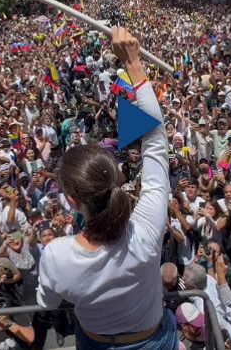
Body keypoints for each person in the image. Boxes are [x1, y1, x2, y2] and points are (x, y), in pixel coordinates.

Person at [36, 27, 176, 349]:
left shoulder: (57, 256)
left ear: (72, 201)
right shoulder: (146, 229)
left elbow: (47, 303)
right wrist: (134, 63)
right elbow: (156, 144)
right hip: (154, 341)